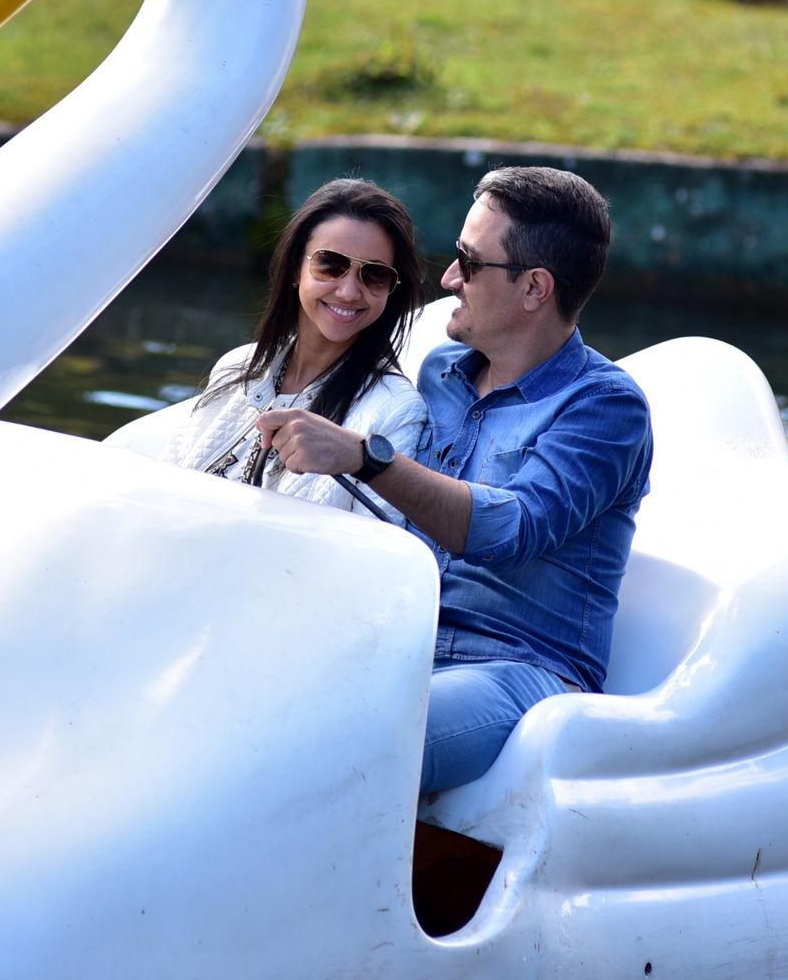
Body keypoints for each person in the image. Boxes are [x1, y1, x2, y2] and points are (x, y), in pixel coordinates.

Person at [261, 166, 654, 794]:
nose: (448, 280)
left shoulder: (606, 407)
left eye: (469, 264)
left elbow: (512, 527)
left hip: (518, 671)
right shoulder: (443, 372)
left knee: (347, 746)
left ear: (534, 288)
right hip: (403, 642)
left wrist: (367, 456)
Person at [163, 178, 429, 523]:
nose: (349, 291)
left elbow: (379, 550)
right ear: (295, 268)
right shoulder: (236, 367)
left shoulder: (396, 410)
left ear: (392, 289)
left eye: (374, 275)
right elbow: (166, 485)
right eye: (331, 264)